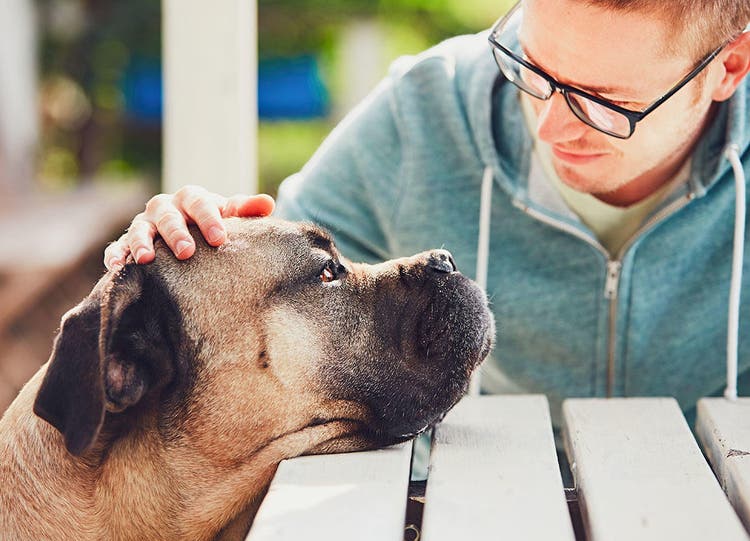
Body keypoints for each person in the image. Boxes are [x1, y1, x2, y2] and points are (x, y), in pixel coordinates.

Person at [106, 0, 750, 442]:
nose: (549, 125)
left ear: (728, 67)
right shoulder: (422, 114)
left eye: (606, 105)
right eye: (534, 66)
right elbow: (279, 282)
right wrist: (197, 249)